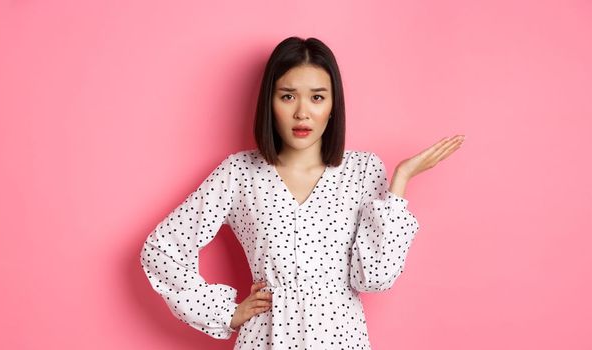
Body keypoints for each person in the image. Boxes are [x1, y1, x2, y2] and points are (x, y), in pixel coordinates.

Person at [140, 36, 463, 349]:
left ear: (334, 105)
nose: (302, 113)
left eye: (317, 97)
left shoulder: (362, 171)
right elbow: (162, 249)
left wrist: (401, 181)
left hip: (341, 339)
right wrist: (227, 312)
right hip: (265, 339)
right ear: (270, 101)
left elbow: (375, 278)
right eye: (288, 96)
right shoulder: (239, 173)